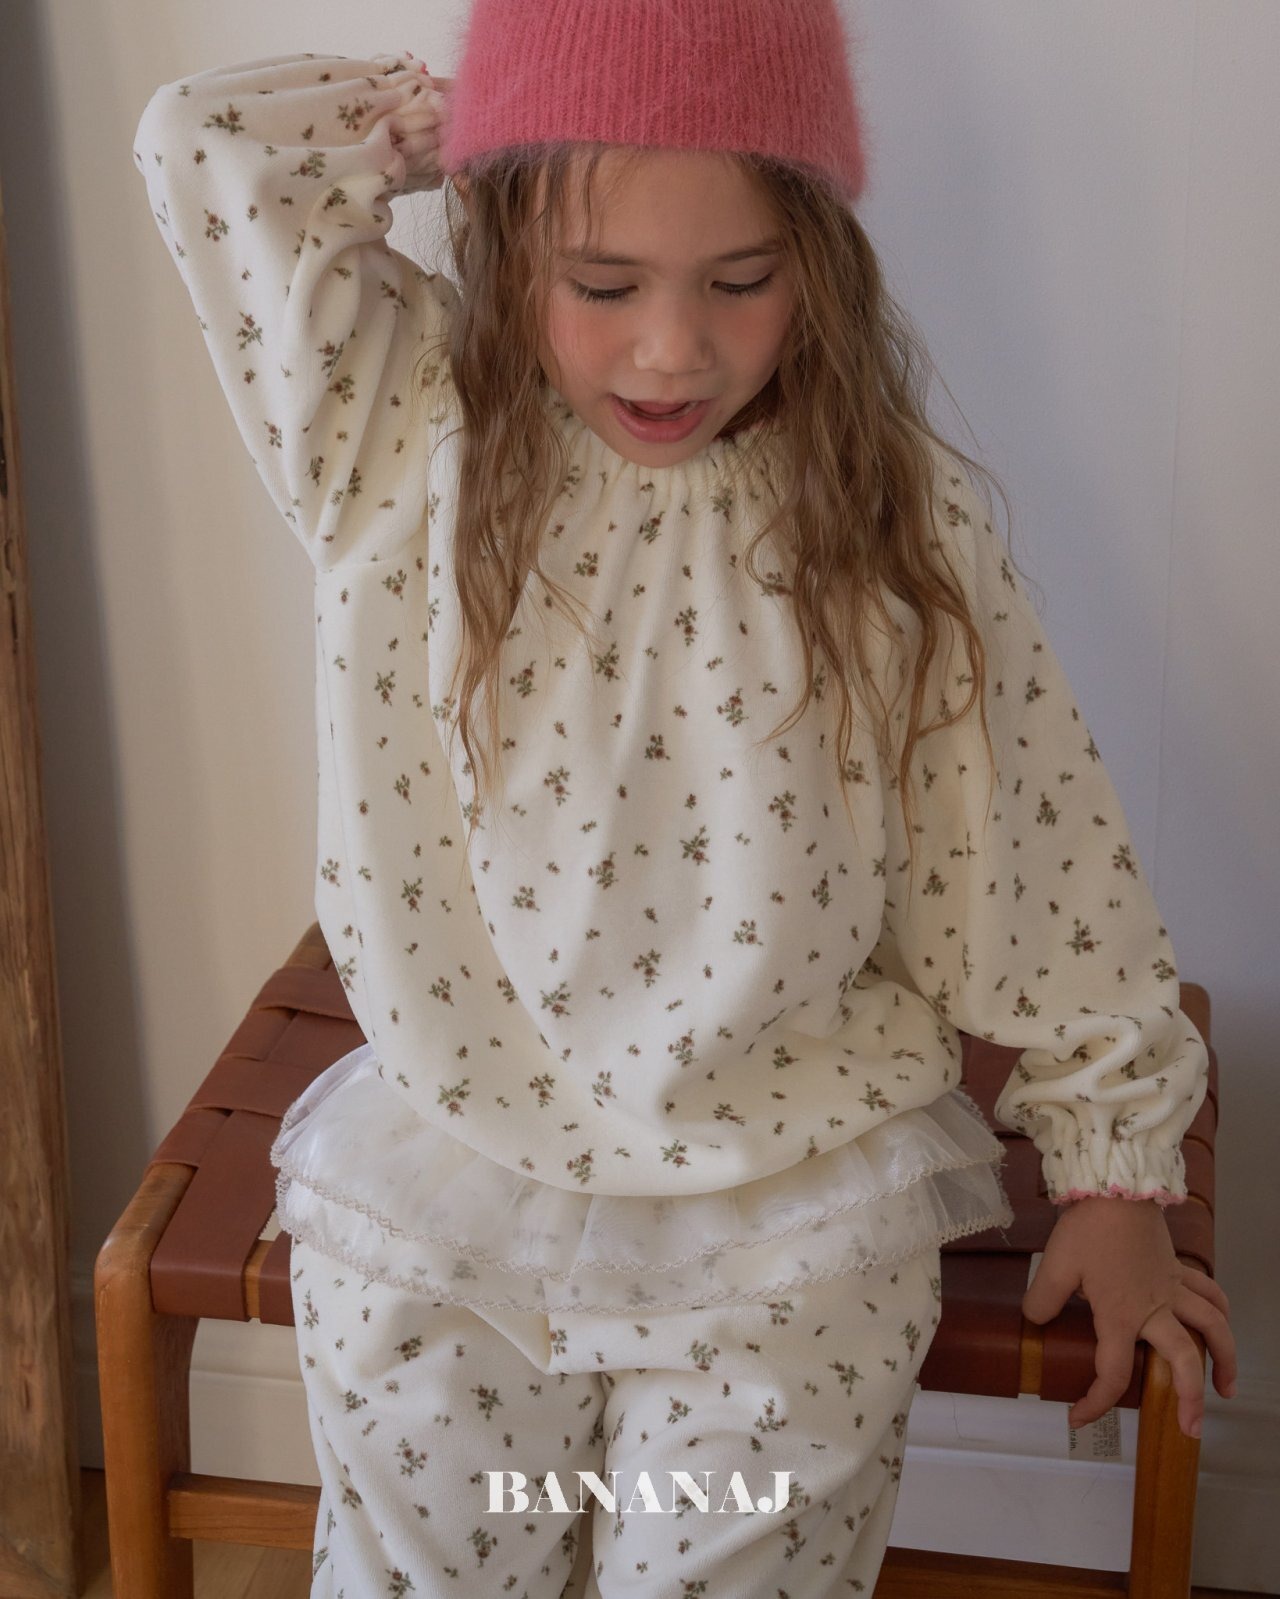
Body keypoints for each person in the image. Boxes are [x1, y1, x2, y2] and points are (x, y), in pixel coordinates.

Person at [131, 3, 1237, 1593]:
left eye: (741, 280)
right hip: (457, 1169)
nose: (673, 348)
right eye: (603, 285)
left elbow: (1026, 835)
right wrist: (468, 117)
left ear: (818, 264)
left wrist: (1115, 1169)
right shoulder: (403, 428)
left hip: (792, 1201)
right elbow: (207, 145)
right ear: (503, 237)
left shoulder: (883, 511)